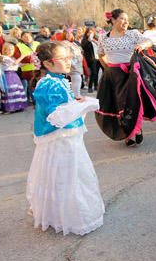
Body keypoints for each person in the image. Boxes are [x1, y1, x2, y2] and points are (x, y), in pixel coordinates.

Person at [26, 41, 105, 235]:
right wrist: (86, 105)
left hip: (67, 135)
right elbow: (58, 116)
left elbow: (65, 105)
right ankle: (67, 216)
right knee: (65, 175)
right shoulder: (48, 84)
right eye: (63, 58)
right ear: (47, 63)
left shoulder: (59, 79)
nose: (69, 61)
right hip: (58, 138)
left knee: (70, 173)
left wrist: (78, 102)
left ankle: (63, 213)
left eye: (70, 57)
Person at [95, 9, 156, 146]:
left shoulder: (132, 34)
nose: (126, 22)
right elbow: (100, 55)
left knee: (131, 101)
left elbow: (149, 41)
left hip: (130, 73)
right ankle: (127, 134)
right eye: (123, 19)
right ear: (113, 20)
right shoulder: (103, 37)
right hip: (112, 75)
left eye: (127, 19)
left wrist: (142, 45)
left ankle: (136, 128)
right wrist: (107, 68)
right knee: (118, 105)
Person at [0, 43, 29, 113]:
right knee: (11, 91)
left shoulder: (12, 58)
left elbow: (18, 64)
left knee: (17, 90)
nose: (10, 51)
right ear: (5, 50)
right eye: (9, 49)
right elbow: (15, 63)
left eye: (12, 49)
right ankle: (11, 107)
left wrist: (28, 63)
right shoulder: (4, 57)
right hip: (8, 75)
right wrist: (22, 56)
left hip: (14, 75)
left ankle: (19, 106)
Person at [15, 32, 40, 103]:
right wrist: (29, 59)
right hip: (26, 69)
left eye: (29, 36)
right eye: (25, 36)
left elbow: (42, 53)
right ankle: (34, 101)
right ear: (21, 38)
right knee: (31, 86)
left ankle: (39, 100)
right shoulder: (18, 45)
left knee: (38, 85)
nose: (27, 38)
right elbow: (17, 56)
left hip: (38, 68)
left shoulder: (37, 43)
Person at [62, 29, 85, 99]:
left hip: (77, 63)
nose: (69, 35)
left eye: (70, 34)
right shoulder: (64, 44)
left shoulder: (74, 43)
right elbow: (65, 54)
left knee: (77, 79)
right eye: (67, 34)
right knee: (76, 79)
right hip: (72, 64)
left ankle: (75, 95)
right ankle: (76, 95)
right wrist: (71, 63)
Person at [81, 27, 100, 93]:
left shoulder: (96, 39)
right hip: (90, 59)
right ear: (86, 33)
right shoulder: (85, 40)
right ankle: (90, 87)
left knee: (96, 73)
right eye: (89, 32)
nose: (90, 33)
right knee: (92, 72)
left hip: (98, 58)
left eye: (91, 32)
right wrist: (89, 40)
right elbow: (84, 47)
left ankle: (96, 85)